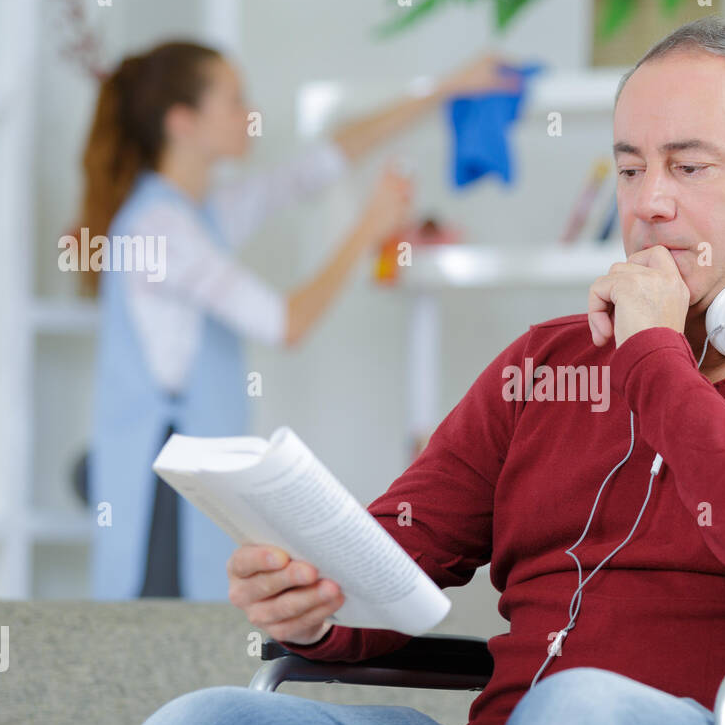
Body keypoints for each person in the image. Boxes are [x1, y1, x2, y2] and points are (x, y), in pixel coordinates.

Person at [125, 18, 725, 725]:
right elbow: (398, 550)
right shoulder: (548, 363)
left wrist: (656, 360)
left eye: (689, 168)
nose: (649, 203)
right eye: (630, 166)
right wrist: (315, 598)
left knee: (574, 718)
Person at [81, 41, 519, 601]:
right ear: (183, 123)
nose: (251, 112)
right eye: (235, 100)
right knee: (165, 636)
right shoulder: (161, 230)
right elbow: (286, 324)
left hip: (189, 465)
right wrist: (367, 230)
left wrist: (443, 88)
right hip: (161, 479)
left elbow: (322, 162)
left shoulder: (199, 210)